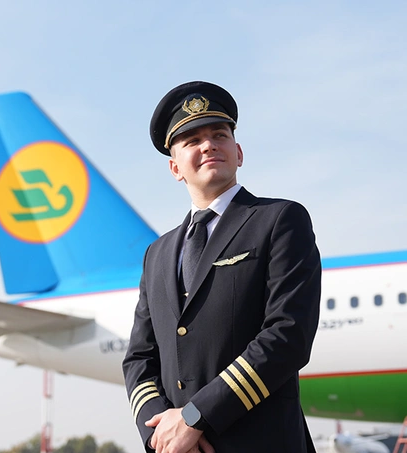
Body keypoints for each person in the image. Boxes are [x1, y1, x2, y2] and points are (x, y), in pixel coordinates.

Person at [122, 81, 322, 453]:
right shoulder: (157, 254)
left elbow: (288, 335)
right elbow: (139, 357)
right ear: (175, 167)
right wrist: (160, 432)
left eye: (219, 135)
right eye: (192, 140)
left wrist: (195, 417)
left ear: (238, 152)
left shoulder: (279, 220)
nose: (208, 145)